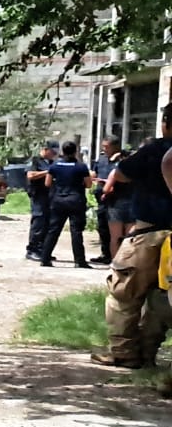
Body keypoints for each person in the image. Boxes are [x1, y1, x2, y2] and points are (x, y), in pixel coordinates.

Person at [93, 108, 172, 368]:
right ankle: (148, 353)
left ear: (165, 124)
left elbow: (123, 173)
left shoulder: (155, 150)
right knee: (163, 299)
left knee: (123, 294)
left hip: (148, 234)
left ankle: (125, 353)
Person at [39, 141, 93, 267]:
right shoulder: (81, 167)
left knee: (53, 230)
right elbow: (89, 184)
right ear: (75, 151)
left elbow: (47, 183)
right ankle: (79, 261)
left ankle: (45, 258)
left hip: (58, 200)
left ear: (62, 152)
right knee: (76, 231)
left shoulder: (55, 165)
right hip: (76, 200)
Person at [92, 137, 125, 263]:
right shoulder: (101, 159)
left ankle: (118, 257)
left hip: (118, 198)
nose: (104, 149)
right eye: (103, 146)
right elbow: (94, 172)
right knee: (102, 226)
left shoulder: (123, 159)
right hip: (102, 198)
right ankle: (105, 254)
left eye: (107, 147)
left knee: (118, 230)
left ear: (115, 146)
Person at [25, 142, 58, 262]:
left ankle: (43, 249)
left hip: (50, 196)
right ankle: (32, 250)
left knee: (48, 223)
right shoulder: (35, 160)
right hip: (38, 195)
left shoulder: (52, 163)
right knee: (38, 221)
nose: (54, 155)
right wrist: (48, 172)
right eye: (52, 152)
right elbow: (30, 175)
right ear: (45, 150)